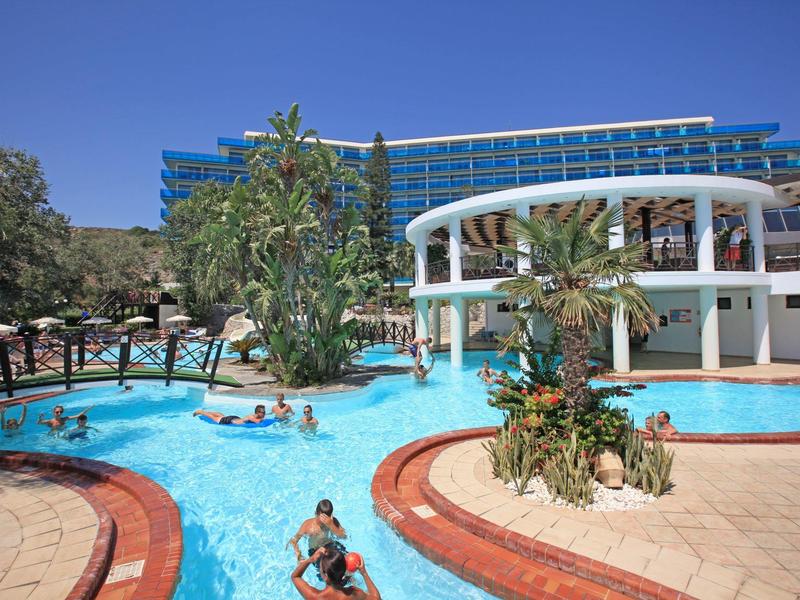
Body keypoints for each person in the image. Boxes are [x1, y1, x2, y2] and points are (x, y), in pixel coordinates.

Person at [291, 545, 381, 599]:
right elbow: (376, 598)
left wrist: (310, 559)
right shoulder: (354, 593)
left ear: (325, 575)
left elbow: (295, 577)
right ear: (345, 569)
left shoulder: (315, 597)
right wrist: (364, 573)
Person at [287, 499, 347, 565]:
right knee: (329, 570)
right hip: (316, 550)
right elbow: (293, 541)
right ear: (316, 513)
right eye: (322, 517)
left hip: (331, 545)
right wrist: (299, 555)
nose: (325, 521)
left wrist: (331, 525)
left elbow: (344, 536)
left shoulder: (332, 522)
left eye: (327, 518)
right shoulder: (308, 526)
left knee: (348, 561)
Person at [193, 404, 268, 425]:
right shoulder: (252, 416)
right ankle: (201, 412)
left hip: (235, 418)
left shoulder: (255, 416)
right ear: (258, 413)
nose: (264, 413)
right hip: (230, 421)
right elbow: (257, 422)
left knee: (221, 415)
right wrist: (264, 419)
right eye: (263, 412)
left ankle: (207, 411)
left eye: (264, 412)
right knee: (214, 418)